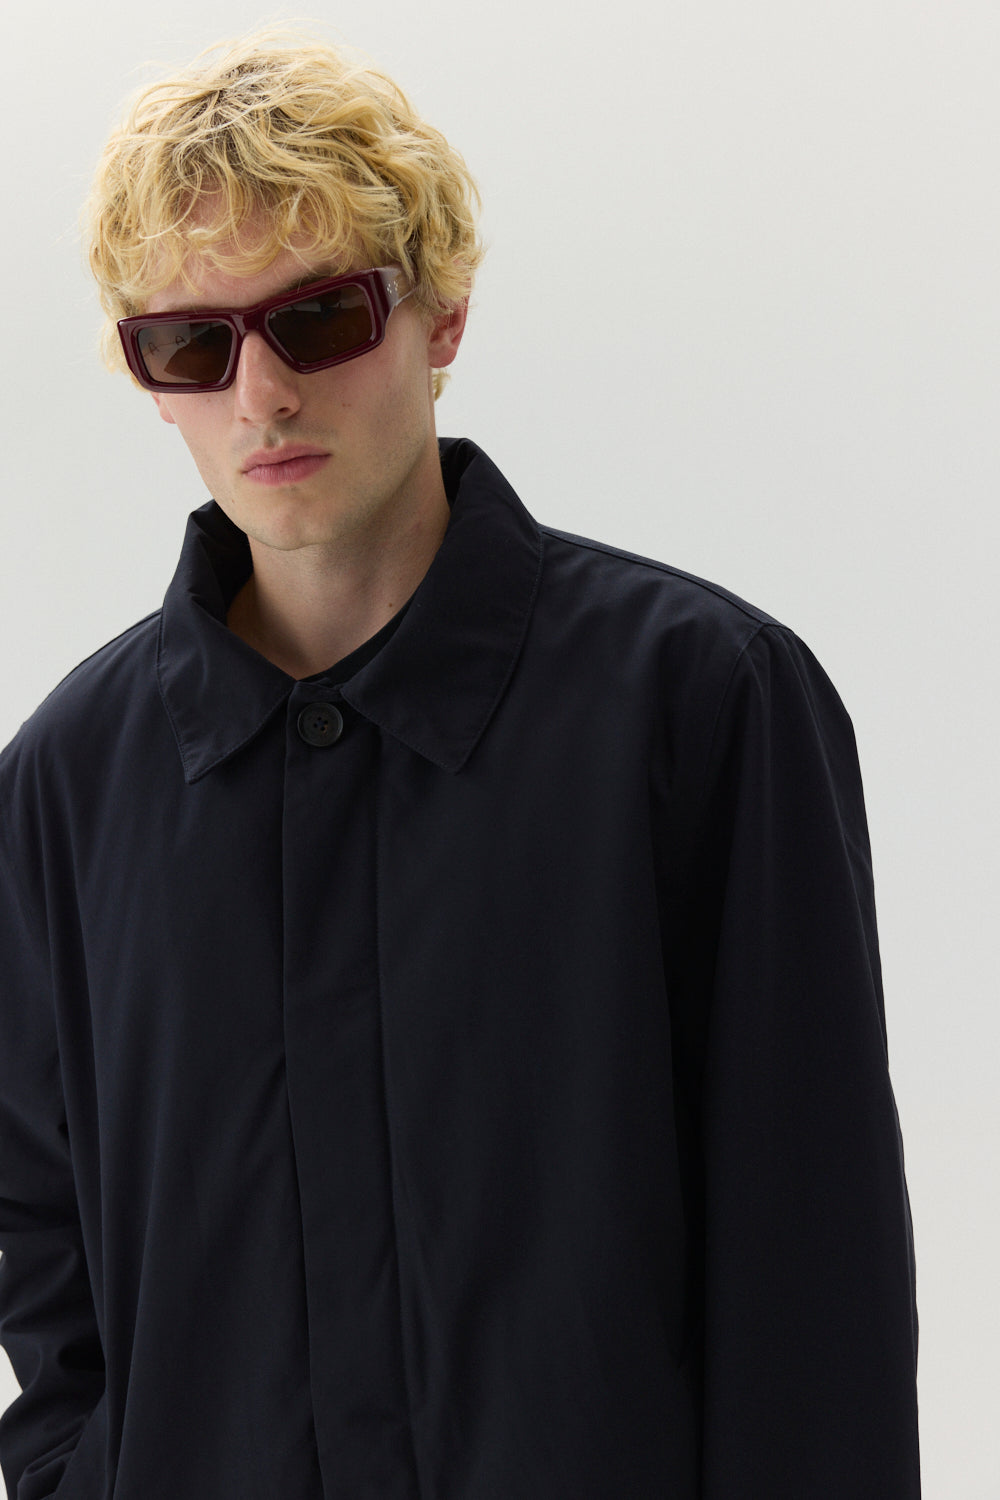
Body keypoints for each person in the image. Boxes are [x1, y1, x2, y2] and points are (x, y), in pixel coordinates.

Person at [0, 27, 921, 1500]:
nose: (261, 396)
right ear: (147, 375)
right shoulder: (65, 785)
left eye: (319, 318)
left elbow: (814, 1279)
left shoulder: (703, 704)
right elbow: (48, 1262)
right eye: (192, 345)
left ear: (442, 317)